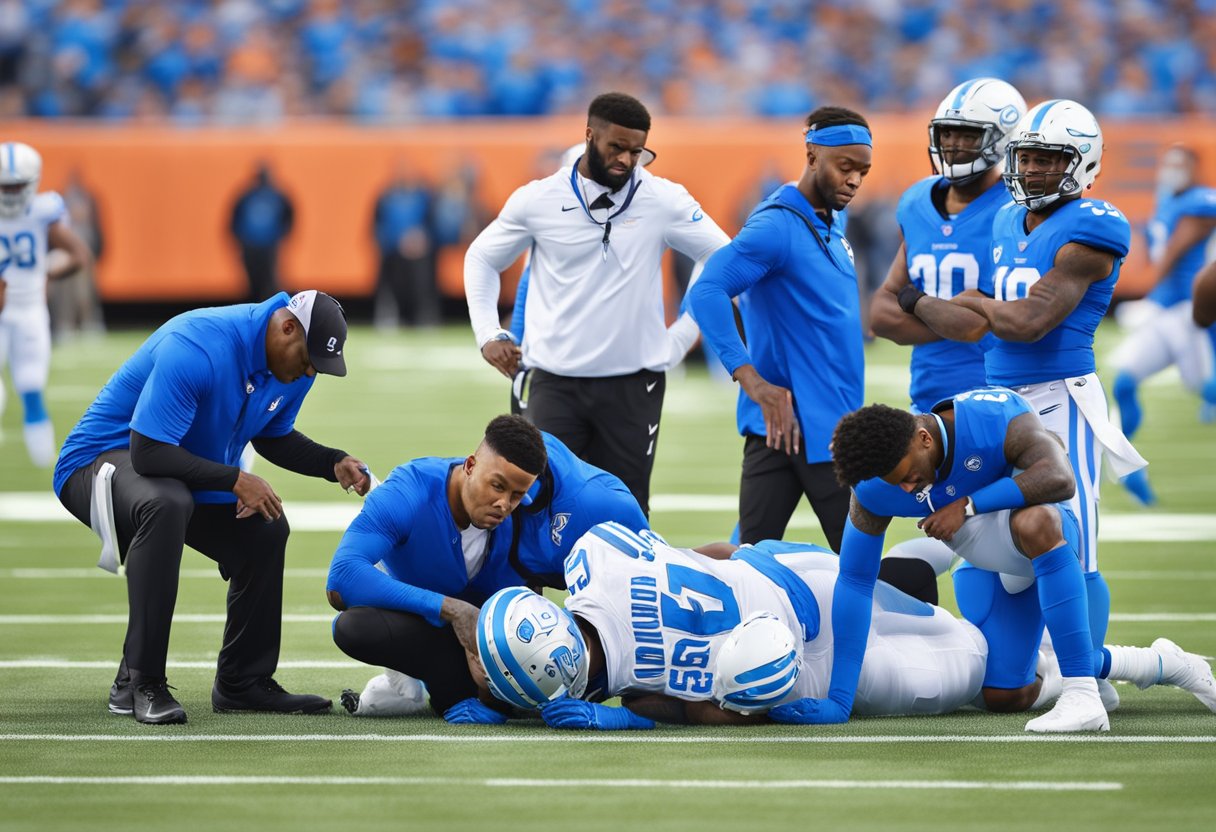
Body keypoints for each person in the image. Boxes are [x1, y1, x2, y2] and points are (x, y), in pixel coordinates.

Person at [473, 525, 1216, 729]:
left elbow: (724, 713)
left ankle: (1153, 662)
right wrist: (758, 558)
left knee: (1003, 682)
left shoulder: (636, 696)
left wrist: (634, 721)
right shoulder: (593, 561)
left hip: (810, 662)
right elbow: (694, 553)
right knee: (914, 593)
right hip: (793, 578)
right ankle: (971, 546)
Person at [900, 100, 1146, 684]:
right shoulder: (1009, 219)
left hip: (1061, 397)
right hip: (999, 397)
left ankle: (1095, 679)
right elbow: (981, 315)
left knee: (1072, 543)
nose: (1033, 171)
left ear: (1083, 165)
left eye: (1048, 160)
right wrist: (953, 309)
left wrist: (948, 303)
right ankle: (1023, 663)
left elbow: (1030, 321)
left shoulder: (1095, 226)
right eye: (1027, 158)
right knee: (980, 541)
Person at [53, 289, 368, 725]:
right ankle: (140, 681)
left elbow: (272, 433)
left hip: (174, 469)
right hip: (97, 463)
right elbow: (147, 453)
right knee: (165, 503)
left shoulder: (295, 362)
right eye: (309, 358)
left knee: (265, 527)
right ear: (287, 327)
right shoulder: (200, 344)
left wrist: (331, 462)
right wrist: (235, 479)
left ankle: (243, 682)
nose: (310, 371)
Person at [464, 92, 729, 516]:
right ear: (589, 136)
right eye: (616, 147)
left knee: (625, 512)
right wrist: (488, 332)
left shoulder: (663, 198)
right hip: (553, 381)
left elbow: (722, 257)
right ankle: (532, 587)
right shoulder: (539, 198)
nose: (627, 160)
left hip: (632, 384)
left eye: (637, 151)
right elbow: (481, 257)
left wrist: (684, 332)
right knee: (536, 508)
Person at [822, 389, 1120, 734]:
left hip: (1044, 539)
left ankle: (1082, 690)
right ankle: (1146, 663)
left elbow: (1060, 478)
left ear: (924, 439)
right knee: (1002, 695)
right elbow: (855, 580)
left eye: (907, 475)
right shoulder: (874, 488)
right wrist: (840, 699)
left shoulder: (992, 419)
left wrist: (967, 506)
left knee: (1037, 522)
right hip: (985, 560)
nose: (906, 489)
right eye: (895, 483)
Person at [327, 415, 648, 720]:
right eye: (497, 486)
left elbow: (648, 582)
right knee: (355, 627)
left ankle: (473, 694)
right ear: (469, 465)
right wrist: (452, 610)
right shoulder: (409, 490)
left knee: (524, 689)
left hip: (491, 628)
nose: (504, 504)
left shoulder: (563, 508)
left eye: (517, 495)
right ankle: (434, 688)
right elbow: (341, 579)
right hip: (431, 620)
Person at [688, 106, 873, 552]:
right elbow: (707, 290)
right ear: (811, 155)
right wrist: (751, 380)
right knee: (860, 567)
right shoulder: (775, 226)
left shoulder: (832, 218)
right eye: (844, 166)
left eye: (862, 171)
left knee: (748, 563)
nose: (854, 180)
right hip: (807, 428)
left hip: (820, 424)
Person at [867, 78, 1025, 589]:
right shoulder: (917, 202)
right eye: (948, 133)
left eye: (968, 134)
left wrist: (915, 303)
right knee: (947, 525)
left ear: (1002, 139)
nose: (954, 144)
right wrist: (941, 315)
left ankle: (1072, 661)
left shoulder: (1013, 208)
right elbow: (880, 314)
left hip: (995, 396)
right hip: (930, 398)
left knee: (1008, 542)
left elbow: (975, 323)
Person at [1108, 145, 1216, 505]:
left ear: (1195, 168)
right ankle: (1126, 466)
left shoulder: (1200, 201)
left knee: (1206, 388)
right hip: (1163, 312)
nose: (1172, 170)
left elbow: (1176, 248)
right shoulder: (1166, 200)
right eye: (1168, 162)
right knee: (1124, 382)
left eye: (1180, 163)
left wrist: (1151, 288)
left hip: (1187, 314)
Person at [0, 141, 94, 467]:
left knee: (30, 385)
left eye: (16, 187)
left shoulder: (44, 211)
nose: (10, 195)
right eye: (4, 187)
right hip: (11, 309)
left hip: (28, 309)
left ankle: (44, 467)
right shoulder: (45, 210)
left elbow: (79, 255)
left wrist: (45, 274)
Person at [371, 160, 439, 328]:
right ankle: (389, 315)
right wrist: (393, 241)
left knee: (423, 281)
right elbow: (377, 223)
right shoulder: (386, 196)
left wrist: (420, 239)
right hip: (392, 250)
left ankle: (424, 317)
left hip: (419, 250)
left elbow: (432, 223)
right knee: (389, 282)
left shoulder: (424, 196)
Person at [47, 167, 106, 340]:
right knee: (63, 293)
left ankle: (90, 323)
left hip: (85, 254)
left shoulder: (90, 199)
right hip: (66, 254)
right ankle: (65, 325)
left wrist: (96, 250)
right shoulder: (59, 203)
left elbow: (97, 229)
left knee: (86, 291)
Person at [229, 162, 294, 302]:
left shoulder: (277, 196)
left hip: (269, 246)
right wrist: (242, 241)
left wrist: (280, 237)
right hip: (251, 246)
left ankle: (271, 314)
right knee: (253, 283)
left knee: (270, 282)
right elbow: (234, 219)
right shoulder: (247, 196)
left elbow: (289, 217)